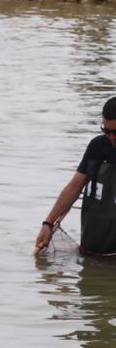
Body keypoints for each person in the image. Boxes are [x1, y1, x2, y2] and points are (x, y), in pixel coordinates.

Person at [34, 97, 116, 257]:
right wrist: (48, 223)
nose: (111, 137)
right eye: (107, 131)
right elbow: (75, 186)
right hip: (91, 247)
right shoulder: (97, 146)